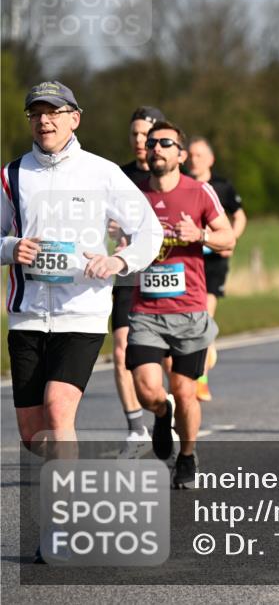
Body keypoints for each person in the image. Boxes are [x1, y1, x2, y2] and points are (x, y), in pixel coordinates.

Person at [1, 82, 162, 451]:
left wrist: (119, 260)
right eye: (36, 114)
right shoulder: (12, 176)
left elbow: (149, 231)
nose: (44, 121)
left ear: (74, 119)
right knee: (32, 435)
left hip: (82, 312)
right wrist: (10, 247)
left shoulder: (101, 173)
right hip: (26, 316)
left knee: (59, 410)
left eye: (54, 113)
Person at [127, 121, 235, 488]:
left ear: (180, 154)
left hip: (188, 311)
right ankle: (161, 414)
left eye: (166, 143)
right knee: (147, 391)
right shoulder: (133, 195)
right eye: (152, 142)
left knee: (185, 390)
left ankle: (186, 456)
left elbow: (228, 237)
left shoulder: (200, 192)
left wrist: (200, 234)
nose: (156, 148)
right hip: (146, 310)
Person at [111, 105, 166, 457]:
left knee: (170, 360)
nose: (139, 141)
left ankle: (166, 412)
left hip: (165, 276)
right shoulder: (116, 176)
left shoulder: (174, 175)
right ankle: (135, 430)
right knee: (120, 349)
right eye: (133, 134)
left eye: (145, 134)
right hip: (128, 274)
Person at [185, 136, 247, 400]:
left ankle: (201, 378)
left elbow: (240, 215)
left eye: (199, 155)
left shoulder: (222, 186)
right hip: (188, 260)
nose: (194, 159)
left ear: (210, 159)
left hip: (214, 261)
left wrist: (232, 239)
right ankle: (201, 355)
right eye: (190, 155)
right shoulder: (181, 185)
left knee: (205, 315)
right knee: (191, 318)